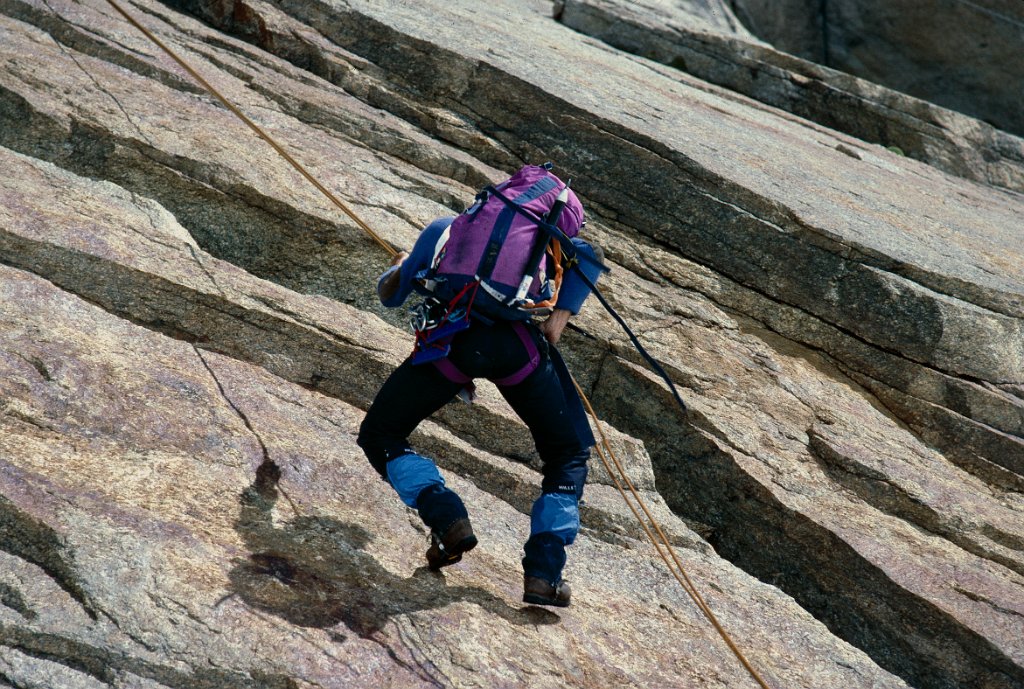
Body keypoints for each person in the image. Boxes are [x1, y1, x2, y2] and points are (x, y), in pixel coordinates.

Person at [357, 208, 605, 608]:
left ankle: (445, 515)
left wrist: (402, 265)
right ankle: (544, 572)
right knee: (567, 454)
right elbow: (590, 257)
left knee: (381, 434)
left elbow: (392, 295)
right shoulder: (561, 248)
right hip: (519, 354)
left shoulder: (446, 229)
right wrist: (557, 322)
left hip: (455, 347)